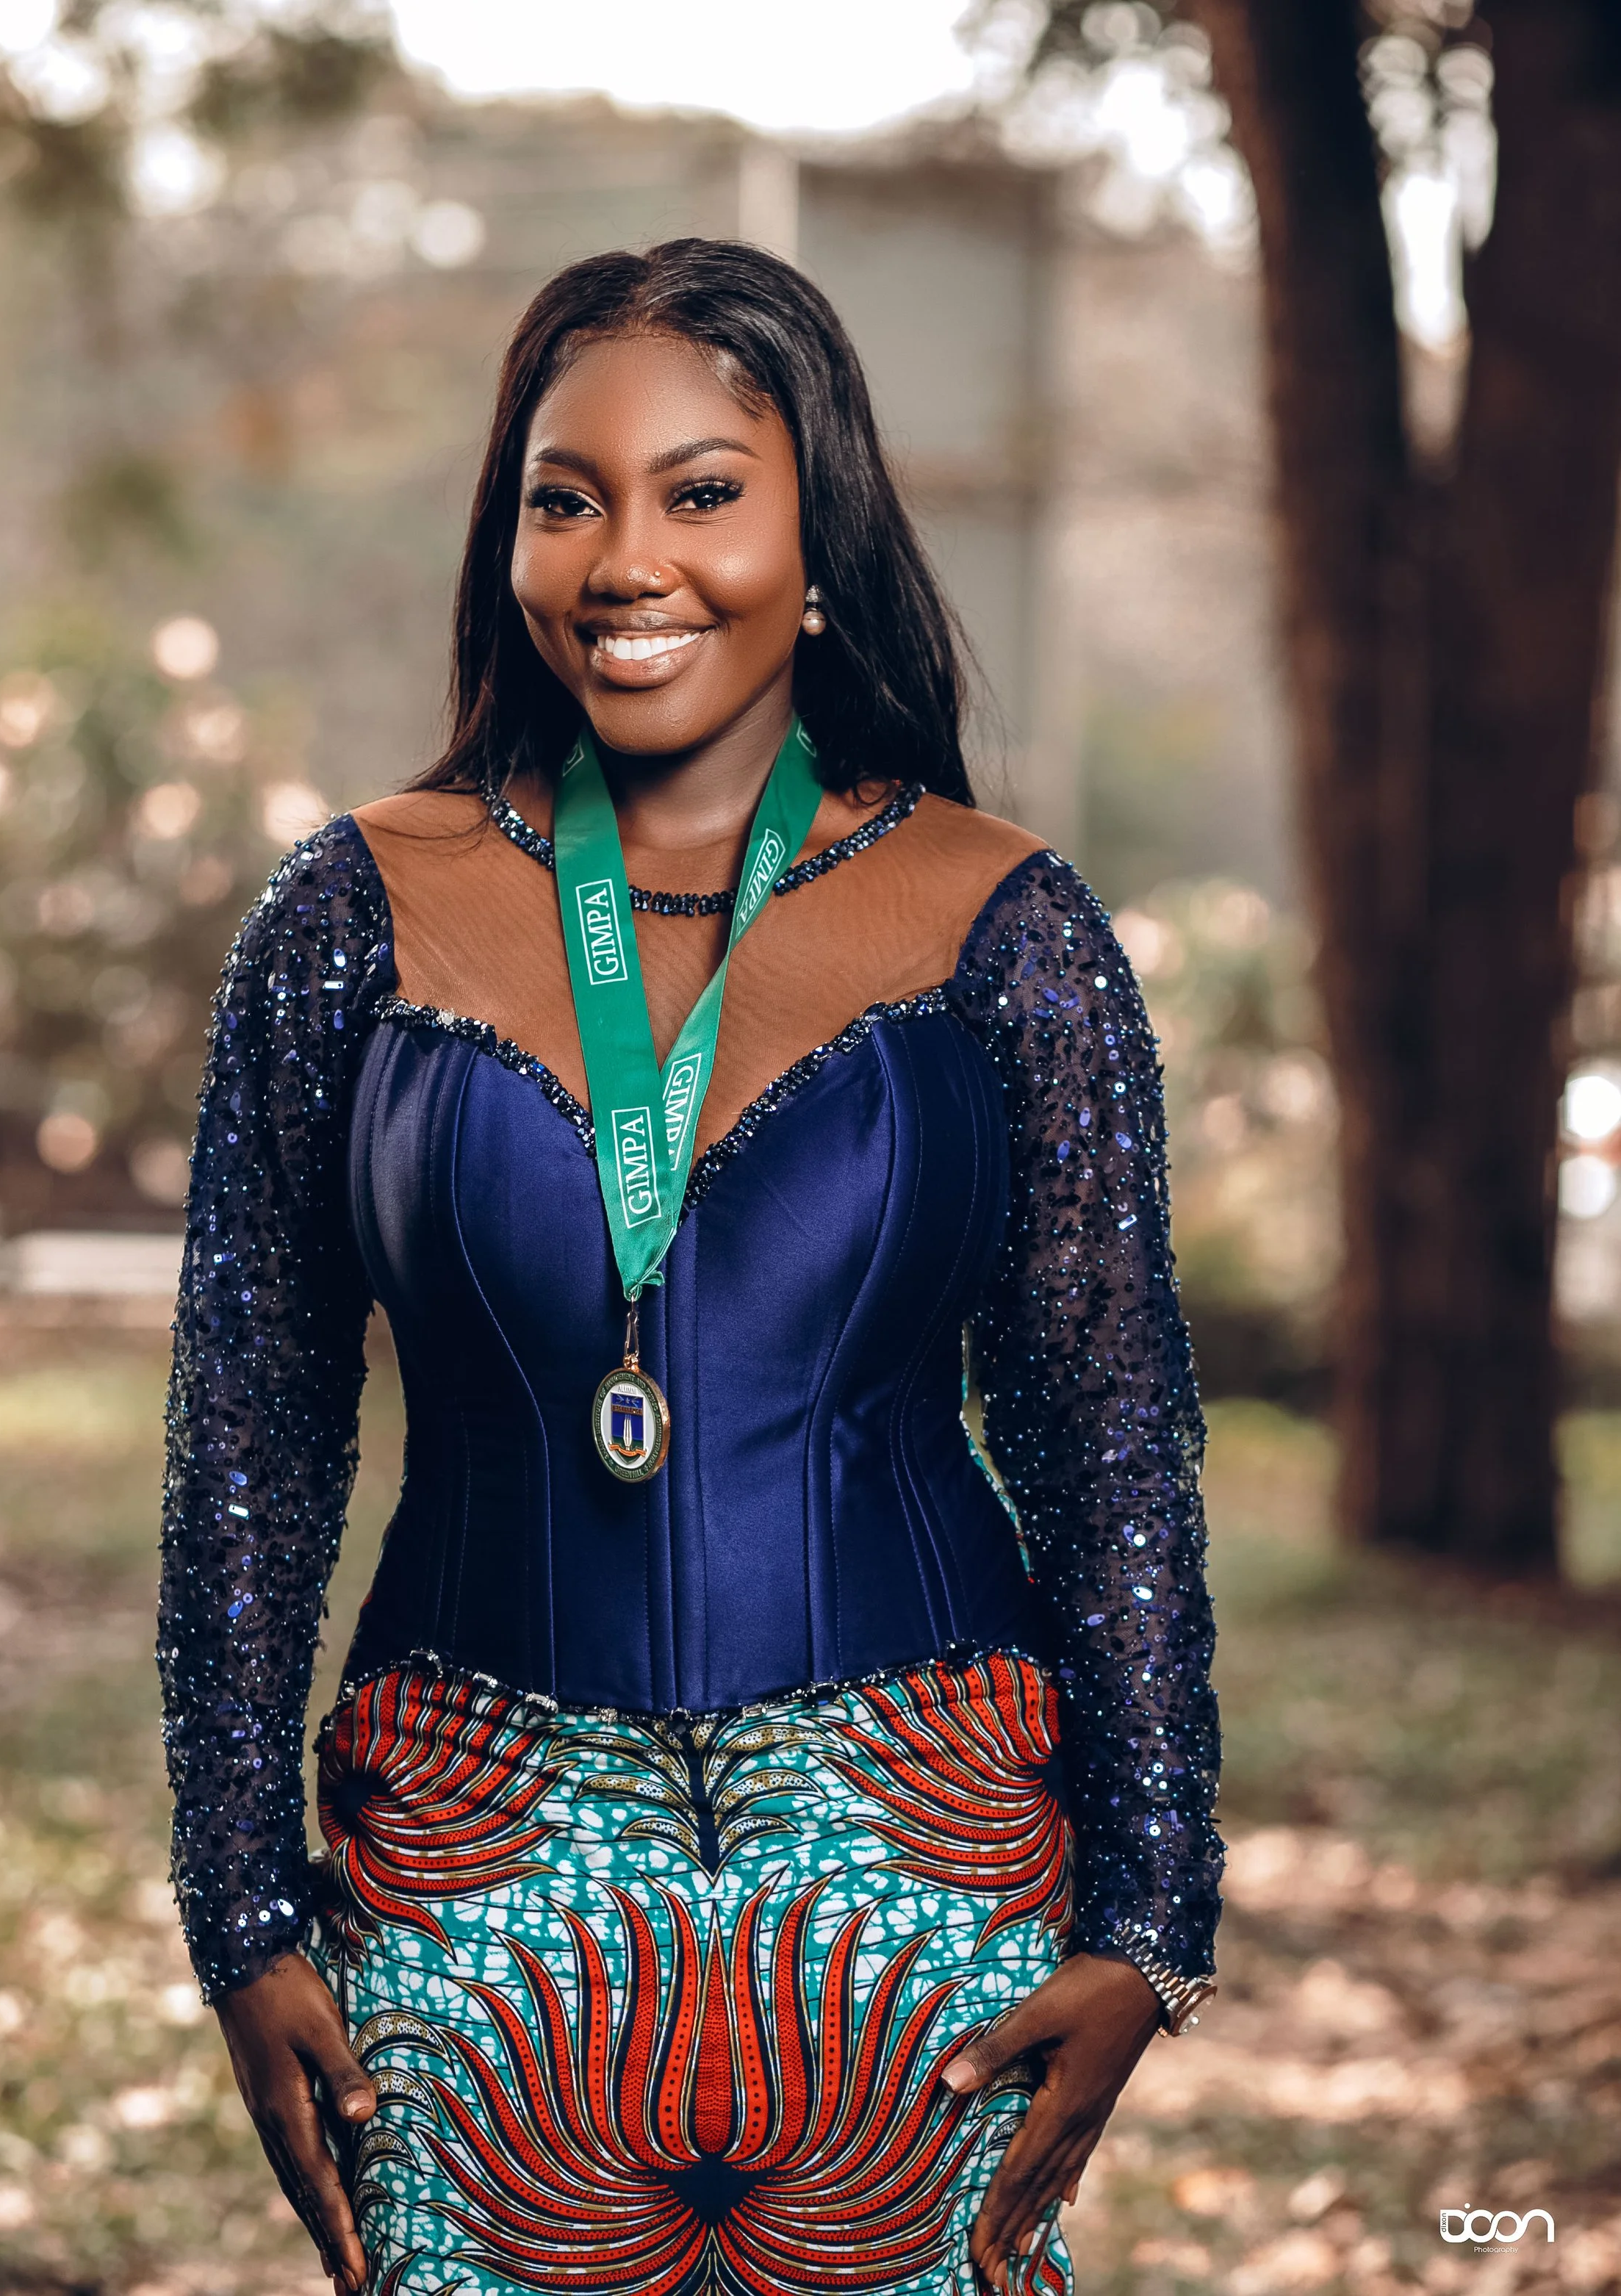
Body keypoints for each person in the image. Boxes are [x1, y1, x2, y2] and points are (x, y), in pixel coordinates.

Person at [159, 237, 1221, 2296]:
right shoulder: (346, 915)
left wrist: (1150, 1919)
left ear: (817, 534)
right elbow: (247, 1441)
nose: (626, 555)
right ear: (509, 546)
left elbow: (1106, 1437)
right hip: (471, 1862)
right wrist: (239, 1911)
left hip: (915, 1857)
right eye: (568, 497)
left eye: (702, 489)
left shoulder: (1007, 928)